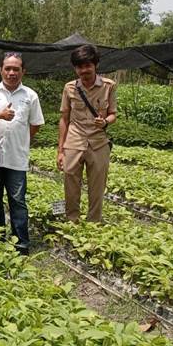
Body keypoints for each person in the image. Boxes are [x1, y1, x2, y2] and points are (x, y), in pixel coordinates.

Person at [0, 53, 44, 254]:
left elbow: (35, 124)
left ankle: (21, 245)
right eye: (8, 68)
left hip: (17, 158)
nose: (11, 73)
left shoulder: (30, 95)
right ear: (0, 70)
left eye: (16, 69)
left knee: (18, 201)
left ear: (23, 71)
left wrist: (20, 140)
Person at [57, 44, 117, 222]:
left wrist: (105, 121)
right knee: (70, 182)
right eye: (79, 67)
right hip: (74, 141)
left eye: (87, 65)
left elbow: (113, 114)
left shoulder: (108, 86)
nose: (84, 70)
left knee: (97, 186)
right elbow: (64, 119)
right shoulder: (69, 88)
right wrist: (60, 150)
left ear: (96, 65)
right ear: (75, 68)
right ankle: (72, 220)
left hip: (98, 143)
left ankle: (94, 222)